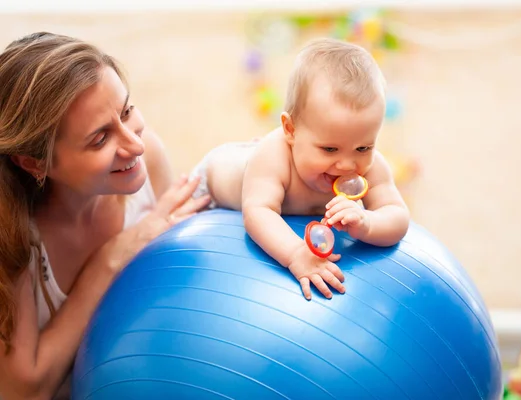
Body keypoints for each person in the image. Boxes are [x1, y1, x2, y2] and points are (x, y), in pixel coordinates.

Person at [0, 32, 211, 399]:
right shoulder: (13, 235)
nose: (136, 144)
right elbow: (24, 390)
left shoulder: (147, 158)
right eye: (100, 139)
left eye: (127, 111)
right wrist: (109, 260)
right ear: (35, 162)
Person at [191, 38, 410, 301]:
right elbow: (258, 212)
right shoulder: (274, 156)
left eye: (363, 148)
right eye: (329, 149)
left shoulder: (371, 167)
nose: (347, 165)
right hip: (212, 185)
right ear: (290, 130)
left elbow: (397, 216)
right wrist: (296, 254)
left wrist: (367, 223)